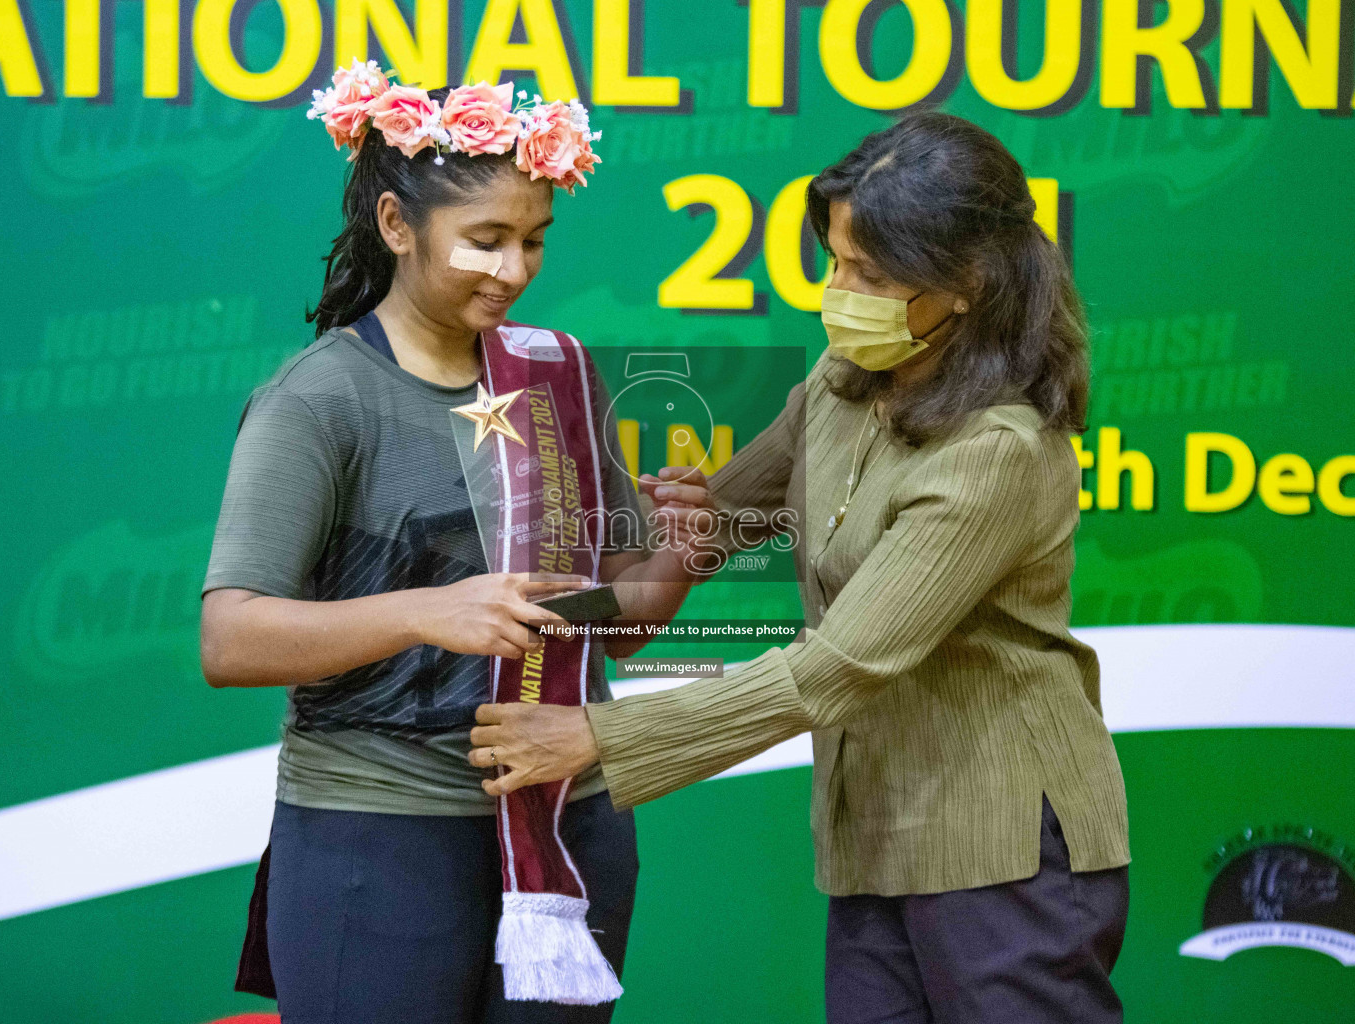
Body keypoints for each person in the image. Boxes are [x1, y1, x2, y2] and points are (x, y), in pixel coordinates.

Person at [466, 111, 1133, 1024]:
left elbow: (835, 667)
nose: (837, 292)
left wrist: (598, 736)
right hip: (872, 833)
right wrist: (532, 609)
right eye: (835, 262)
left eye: (871, 275)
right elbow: (724, 517)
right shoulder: (842, 381)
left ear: (967, 283)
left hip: (1004, 845)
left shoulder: (998, 451)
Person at [199, 66, 708, 1024]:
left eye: (533, 241)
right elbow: (231, 640)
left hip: (566, 823)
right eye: (486, 241)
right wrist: (430, 612)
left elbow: (613, 627)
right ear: (398, 225)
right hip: (379, 835)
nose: (513, 269)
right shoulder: (319, 399)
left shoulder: (557, 370)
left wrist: (681, 551)